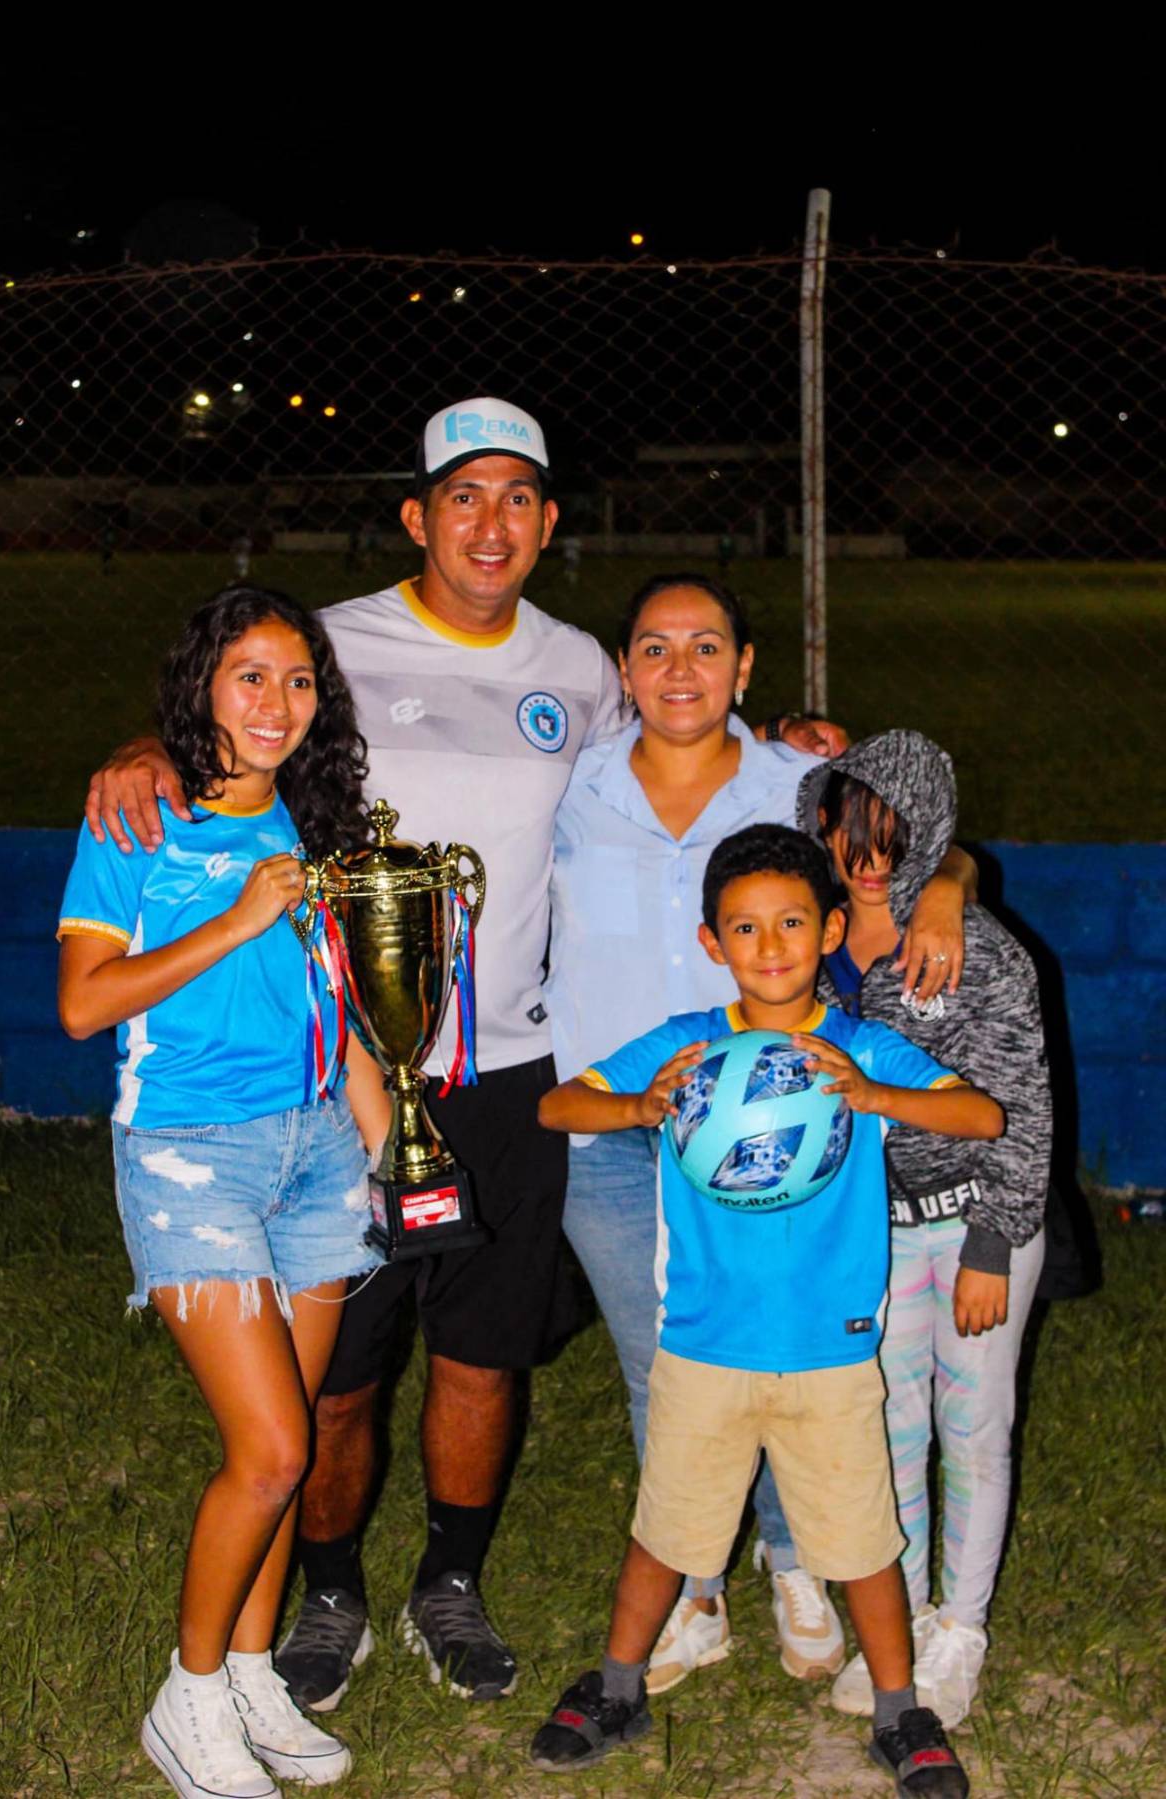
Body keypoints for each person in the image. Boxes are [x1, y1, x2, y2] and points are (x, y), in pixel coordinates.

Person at [82, 400, 848, 1713]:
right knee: (345, 1369)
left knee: (483, 1352)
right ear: (417, 516)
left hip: (509, 1067)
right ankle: (328, 1591)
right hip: (342, 1070)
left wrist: (807, 746)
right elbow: (234, 720)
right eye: (463, 496)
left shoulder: (580, 668)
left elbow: (688, 725)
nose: (490, 524)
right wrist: (146, 748)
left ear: (549, 523)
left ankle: (453, 1577)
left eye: (518, 499)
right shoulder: (333, 645)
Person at [547, 574, 976, 1695]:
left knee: (782, 1344)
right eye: (652, 647)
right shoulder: (570, 779)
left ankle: (792, 1560)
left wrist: (951, 890)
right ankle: (692, 1593)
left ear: (745, 668)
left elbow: (911, 842)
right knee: (671, 1356)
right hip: (622, 1113)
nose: (679, 668)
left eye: (706, 647)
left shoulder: (798, 779)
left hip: (781, 1131)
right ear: (623, 668)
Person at [529, 824, 1001, 1796]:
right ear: (713, 941)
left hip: (830, 1349)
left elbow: (981, 1115)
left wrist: (872, 1092)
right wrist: (638, 1105)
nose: (771, 943)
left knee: (864, 1540)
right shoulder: (688, 1046)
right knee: (666, 1526)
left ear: (832, 927)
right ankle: (618, 1684)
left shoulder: (859, 1046)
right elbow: (557, 1105)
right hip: (704, 1342)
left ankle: (899, 1707)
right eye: (745, 927)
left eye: (792, 921)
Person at [58, 586, 392, 1799]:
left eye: (299, 680)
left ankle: (252, 1667)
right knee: (268, 1449)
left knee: (290, 1455)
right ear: (202, 683)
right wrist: (240, 914)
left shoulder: (312, 828)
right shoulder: (140, 818)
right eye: (250, 675)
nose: (276, 703)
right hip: (190, 1153)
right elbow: (86, 1002)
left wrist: (397, 1144)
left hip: (316, 1152)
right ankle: (188, 1694)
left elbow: (343, 1010)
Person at [795, 731, 1050, 1728]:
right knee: (888, 1429)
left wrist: (993, 1244)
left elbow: (1021, 1110)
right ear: (822, 827)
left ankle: (963, 1628)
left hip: (975, 1224)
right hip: (873, 1232)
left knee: (973, 1429)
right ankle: (894, 1622)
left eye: (894, 837)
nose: (868, 858)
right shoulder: (810, 942)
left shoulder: (973, 949)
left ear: (930, 836)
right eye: (850, 831)